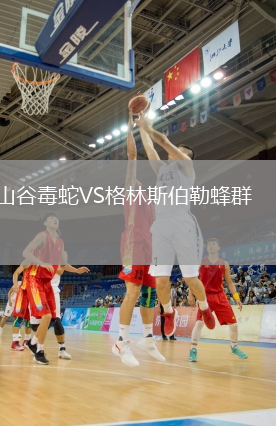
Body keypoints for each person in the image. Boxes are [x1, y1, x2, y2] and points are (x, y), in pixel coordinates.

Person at [136, 114, 215, 337]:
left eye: (176, 151)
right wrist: (141, 128)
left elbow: (162, 142)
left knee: (190, 278)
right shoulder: (162, 170)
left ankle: (204, 308)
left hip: (182, 223)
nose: (170, 152)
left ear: (184, 156)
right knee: (161, 279)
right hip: (161, 224)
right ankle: (168, 313)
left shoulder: (187, 168)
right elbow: (150, 149)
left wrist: (148, 127)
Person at [113, 110, 166, 367]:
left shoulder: (152, 201)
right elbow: (132, 155)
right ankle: (121, 342)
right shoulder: (130, 188)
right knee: (132, 292)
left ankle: (147, 338)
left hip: (150, 246)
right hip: (132, 242)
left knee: (148, 295)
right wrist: (131, 126)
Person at [188, 238, 248, 362]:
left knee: (234, 325)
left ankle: (234, 347)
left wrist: (236, 297)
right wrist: (190, 295)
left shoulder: (224, 263)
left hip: (220, 296)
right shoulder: (200, 262)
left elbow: (229, 282)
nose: (211, 245)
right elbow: (193, 279)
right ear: (207, 248)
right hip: (204, 297)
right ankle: (193, 350)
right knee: (199, 323)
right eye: (209, 244)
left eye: (214, 244)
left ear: (218, 247)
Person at [20, 211, 65, 365]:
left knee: (52, 318)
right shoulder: (42, 236)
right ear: (45, 223)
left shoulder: (60, 242)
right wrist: (41, 263)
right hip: (35, 280)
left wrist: (75, 270)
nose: (55, 220)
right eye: (51, 218)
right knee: (45, 316)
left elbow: (61, 264)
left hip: (47, 282)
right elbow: (25, 252)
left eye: (56, 218)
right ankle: (39, 351)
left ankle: (32, 343)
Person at [51, 252, 89, 360]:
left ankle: (62, 349)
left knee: (56, 320)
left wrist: (76, 270)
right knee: (38, 322)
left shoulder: (58, 257)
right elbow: (61, 268)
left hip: (53, 291)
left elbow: (62, 266)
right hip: (40, 291)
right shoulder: (44, 257)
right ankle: (33, 344)